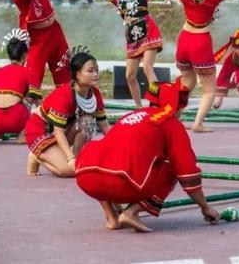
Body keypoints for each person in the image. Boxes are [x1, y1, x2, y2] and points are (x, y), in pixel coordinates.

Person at [75, 92, 220, 232]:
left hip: (87, 176)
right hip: (123, 182)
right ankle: (131, 212)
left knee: (104, 157)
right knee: (172, 168)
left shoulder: (131, 115)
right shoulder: (171, 124)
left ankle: (111, 216)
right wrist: (205, 208)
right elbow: (187, 171)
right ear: (177, 108)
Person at [86, 0, 175, 107]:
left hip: (148, 31)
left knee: (148, 68)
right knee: (129, 76)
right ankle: (139, 107)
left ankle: (159, 104)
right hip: (132, 36)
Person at [170, 0, 239, 132]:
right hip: (200, 42)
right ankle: (198, 123)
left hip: (184, 39)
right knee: (209, 89)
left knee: (187, 82)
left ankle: (173, 117)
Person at [24, 48, 109, 177]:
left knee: (87, 122)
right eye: (90, 71)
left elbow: (104, 126)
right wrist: (70, 159)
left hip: (61, 132)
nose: (96, 74)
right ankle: (37, 156)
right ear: (77, 74)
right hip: (40, 132)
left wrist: (121, 143)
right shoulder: (65, 94)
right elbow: (57, 131)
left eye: (96, 70)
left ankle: (76, 158)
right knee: (68, 171)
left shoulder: (95, 93)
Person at [4, 0, 70, 99]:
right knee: (33, 79)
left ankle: (67, 106)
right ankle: (23, 112)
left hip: (54, 32)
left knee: (64, 71)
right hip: (36, 39)